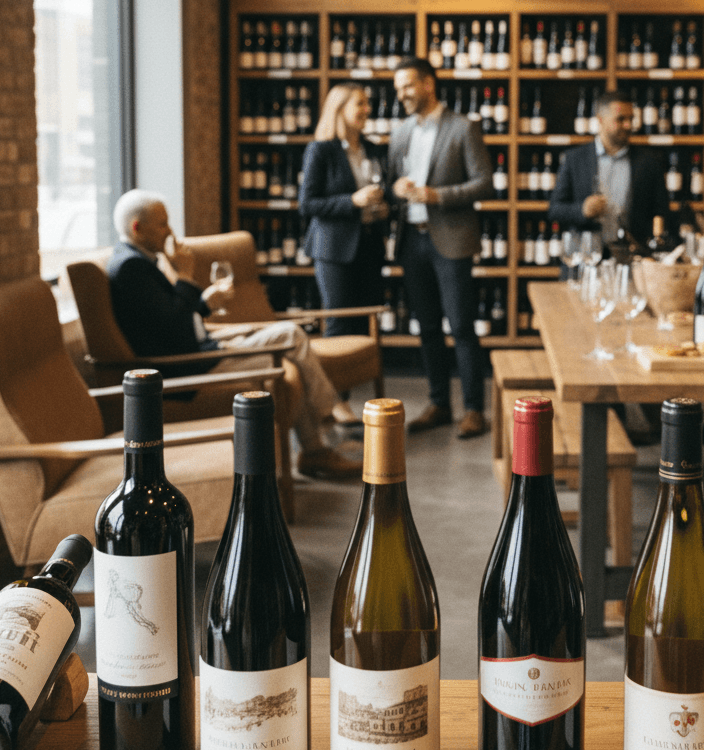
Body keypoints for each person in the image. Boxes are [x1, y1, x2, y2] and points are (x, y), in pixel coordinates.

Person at [108, 189, 362, 479]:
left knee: (289, 347)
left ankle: (317, 447)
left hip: (203, 346)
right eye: (162, 223)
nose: (170, 230)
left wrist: (204, 302)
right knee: (290, 338)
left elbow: (168, 319)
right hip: (189, 365)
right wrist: (185, 275)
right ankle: (326, 424)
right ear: (137, 228)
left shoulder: (136, 260)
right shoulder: (131, 267)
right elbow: (173, 327)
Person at [389, 57, 493, 438]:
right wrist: (395, 189)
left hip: (451, 239)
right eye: (398, 88)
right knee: (428, 327)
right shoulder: (400, 132)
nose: (401, 94)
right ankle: (438, 404)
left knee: (462, 326)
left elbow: (484, 183)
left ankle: (473, 409)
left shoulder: (462, 128)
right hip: (411, 240)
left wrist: (437, 195)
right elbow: (390, 183)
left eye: (407, 86)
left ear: (429, 84)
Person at [300, 83, 388, 336]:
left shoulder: (372, 149)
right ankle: (336, 377)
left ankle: (366, 376)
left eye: (366, 103)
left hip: (370, 247)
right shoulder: (321, 150)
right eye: (359, 103)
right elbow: (307, 204)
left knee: (368, 324)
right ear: (339, 109)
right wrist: (352, 201)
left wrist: (383, 208)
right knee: (339, 323)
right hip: (334, 251)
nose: (367, 109)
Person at [548, 91, 669, 251]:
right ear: (600, 119)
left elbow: (661, 212)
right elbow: (555, 210)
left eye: (631, 119)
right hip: (586, 259)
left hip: (632, 259)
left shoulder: (649, 163)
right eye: (620, 119)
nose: (628, 125)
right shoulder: (575, 159)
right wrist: (582, 210)